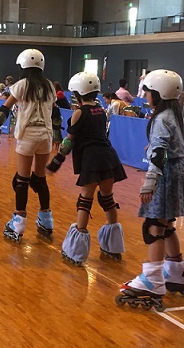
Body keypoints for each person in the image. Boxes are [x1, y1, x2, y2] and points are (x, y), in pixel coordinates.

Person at [115, 70, 184, 312]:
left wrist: (149, 181)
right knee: (166, 224)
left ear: (158, 94)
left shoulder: (162, 118)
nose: (146, 96)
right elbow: (165, 144)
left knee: (153, 228)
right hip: (180, 168)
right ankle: (176, 273)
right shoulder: (174, 113)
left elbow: (160, 152)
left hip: (166, 172)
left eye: (148, 92)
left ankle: (152, 280)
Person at [47, 72, 127, 265]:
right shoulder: (100, 110)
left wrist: (55, 163)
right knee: (107, 199)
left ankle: (76, 252)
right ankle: (113, 247)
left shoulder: (78, 113)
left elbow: (68, 142)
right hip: (109, 157)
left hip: (92, 160)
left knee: (85, 200)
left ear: (79, 93)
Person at [0, 49, 59, 243]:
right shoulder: (49, 85)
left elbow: (3, 111)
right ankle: (46, 220)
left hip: (27, 136)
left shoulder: (21, 85)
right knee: (40, 180)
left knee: (22, 180)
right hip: (45, 137)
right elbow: (56, 115)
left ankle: (18, 222)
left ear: (23, 65)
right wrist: (57, 135)